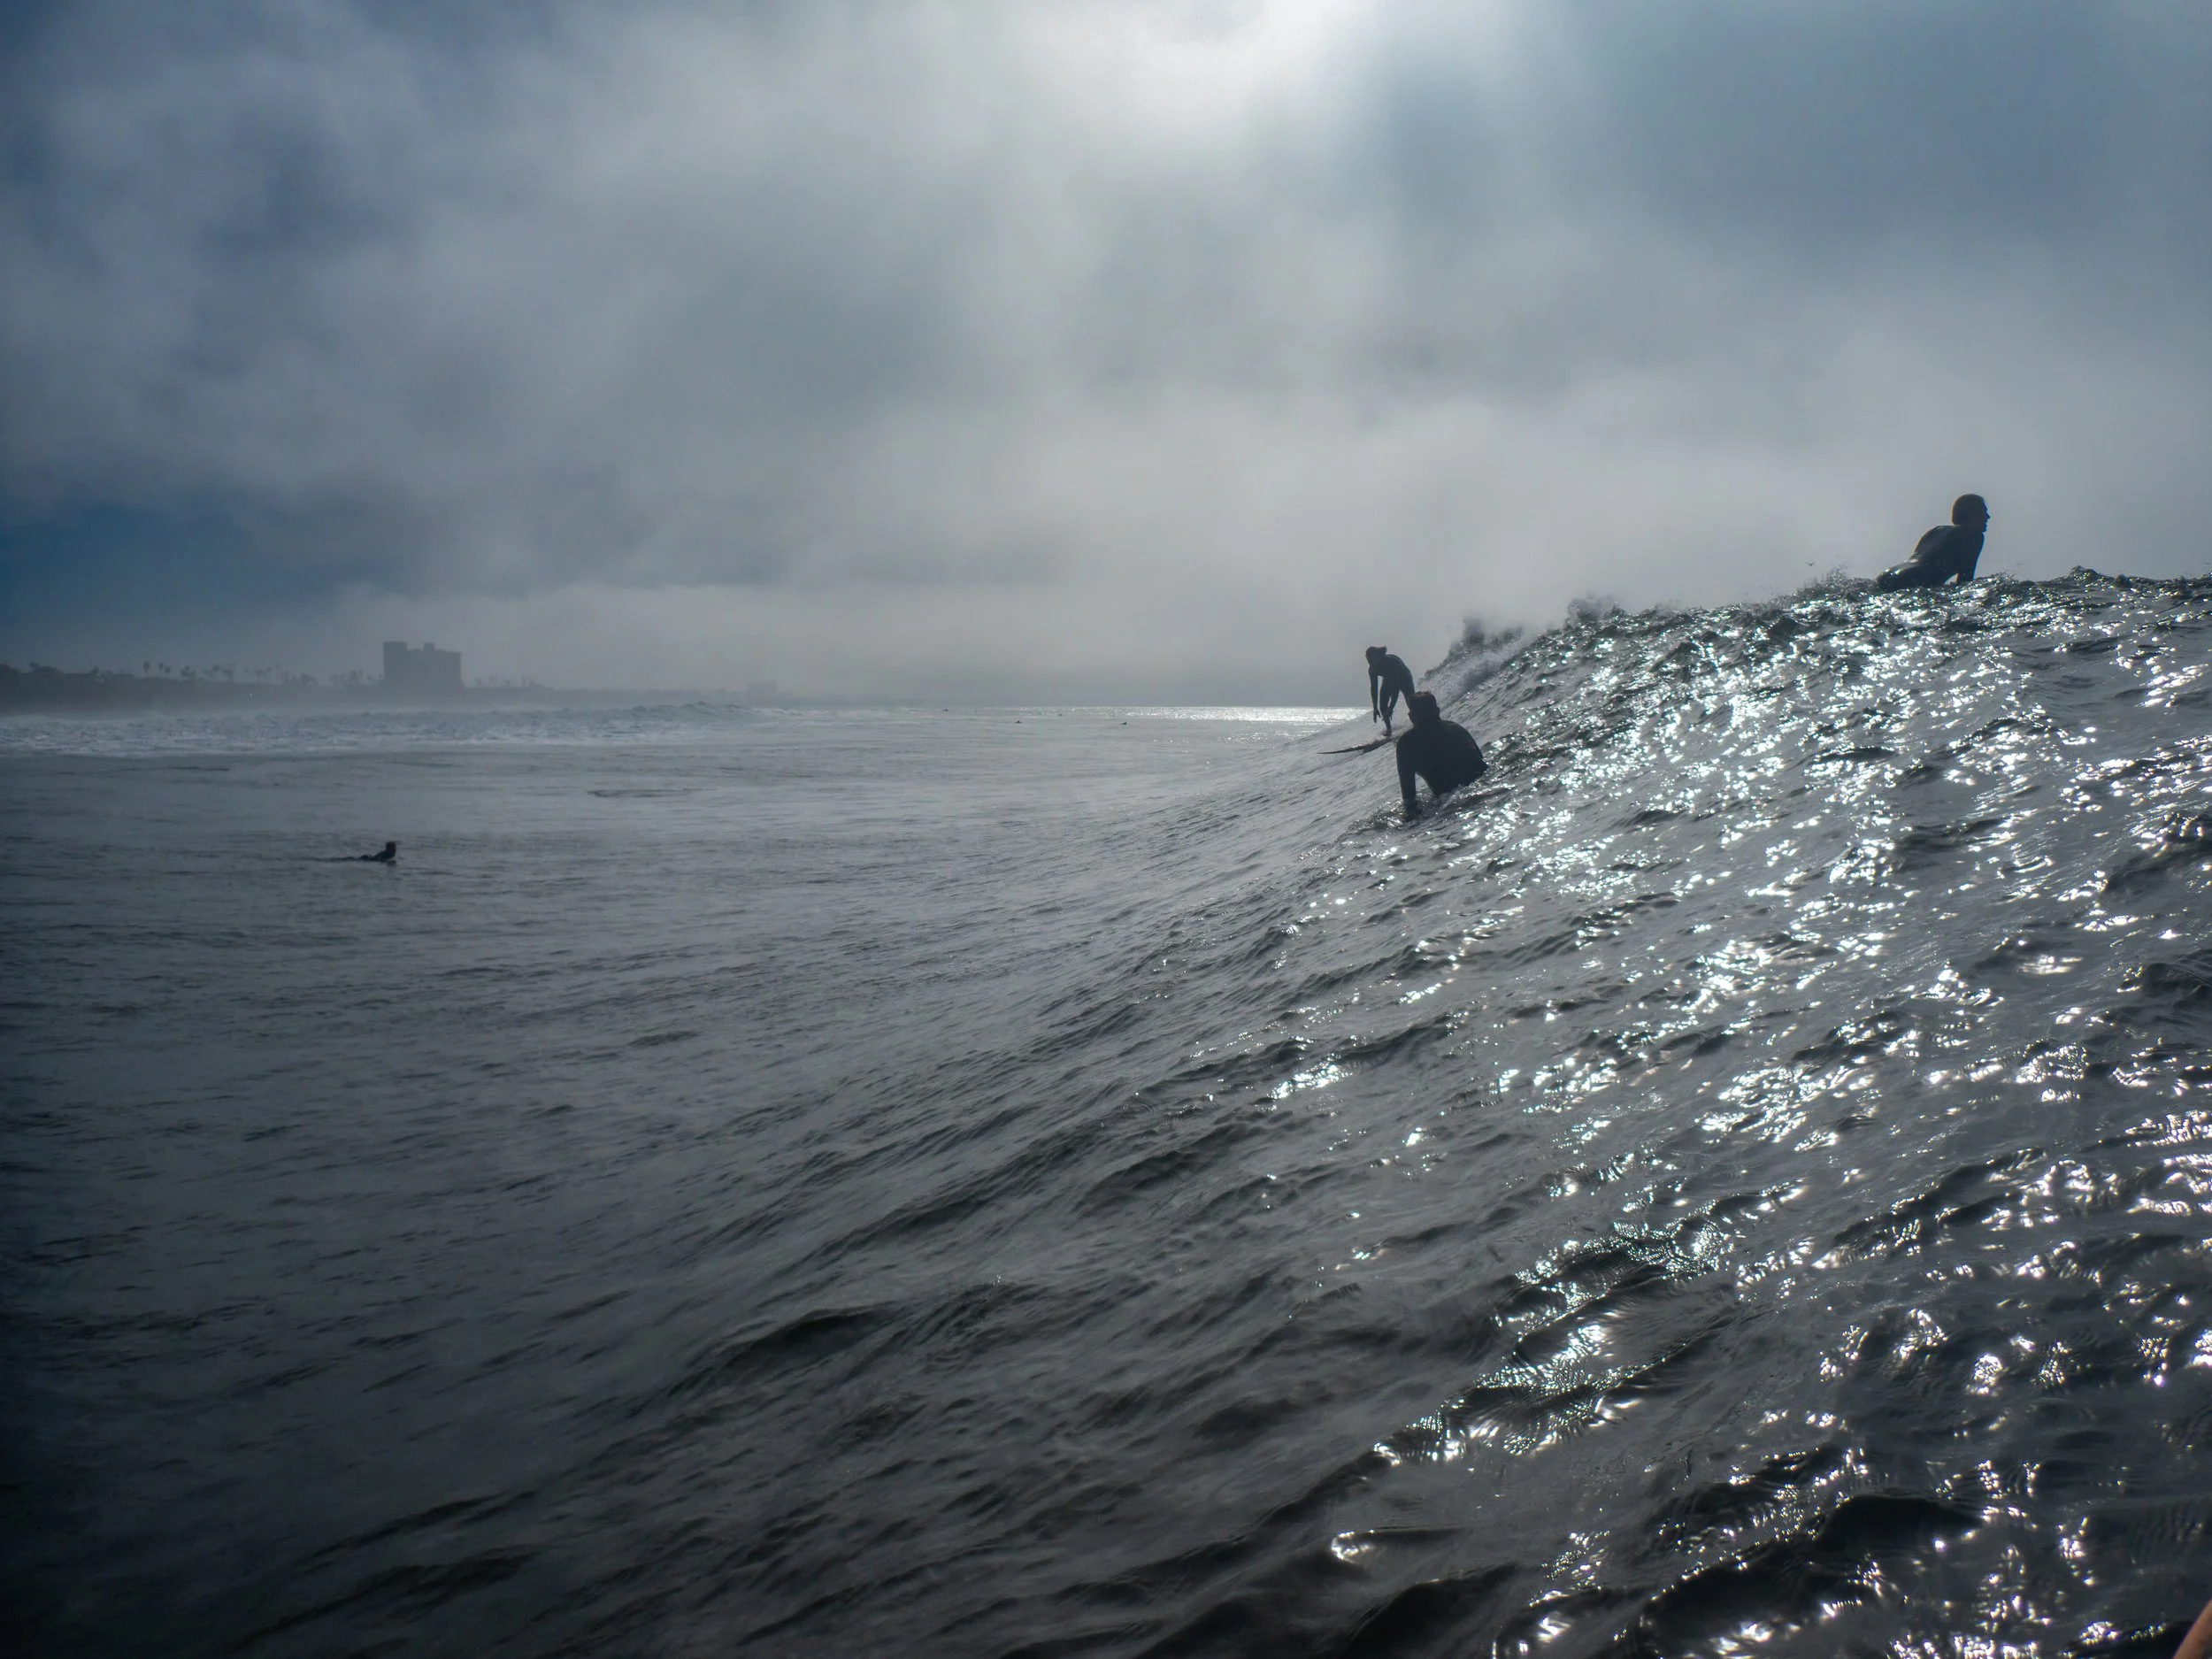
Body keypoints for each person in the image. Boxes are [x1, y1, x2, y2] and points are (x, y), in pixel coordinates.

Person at [1396, 690, 1486, 818]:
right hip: (1481, 789)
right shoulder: (1456, 729)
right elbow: (1480, 759)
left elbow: (1409, 795)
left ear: (1411, 716)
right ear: (1437, 711)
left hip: (1448, 804)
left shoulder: (1407, 743)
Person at [1876, 493, 1990, 591]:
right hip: (1911, 579)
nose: (1987, 517)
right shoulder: (1973, 535)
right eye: (1983, 512)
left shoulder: (1936, 530)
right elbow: (1965, 581)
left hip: (1888, 574)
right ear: (1972, 514)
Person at [1366, 646, 1417, 733]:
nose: (1370, 662)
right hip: (1388, 679)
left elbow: (1395, 689)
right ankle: (1389, 730)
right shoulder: (1372, 669)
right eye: (1368, 659)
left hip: (1405, 677)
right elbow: (1374, 688)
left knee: (1411, 703)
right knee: (1382, 705)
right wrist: (1375, 708)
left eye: (1372, 659)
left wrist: (1391, 708)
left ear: (1379, 656)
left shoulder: (1391, 662)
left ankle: (1417, 723)